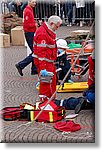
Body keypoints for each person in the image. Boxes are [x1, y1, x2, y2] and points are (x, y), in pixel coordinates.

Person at [33, 15, 62, 103]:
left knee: (52, 82)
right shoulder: (43, 34)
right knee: (46, 84)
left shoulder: (48, 31)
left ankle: (51, 101)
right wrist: (43, 68)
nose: (57, 28)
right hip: (44, 62)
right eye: (56, 26)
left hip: (48, 62)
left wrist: (56, 51)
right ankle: (45, 102)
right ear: (51, 23)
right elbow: (41, 53)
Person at [15, 0, 37, 76]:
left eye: (35, 2)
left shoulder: (29, 9)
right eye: (33, 2)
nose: (34, 3)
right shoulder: (27, 10)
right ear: (29, 2)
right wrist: (35, 25)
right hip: (29, 32)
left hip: (31, 32)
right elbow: (27, 24)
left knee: (35, 51)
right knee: (35, 52)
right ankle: (21, 64)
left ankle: (34, 69)